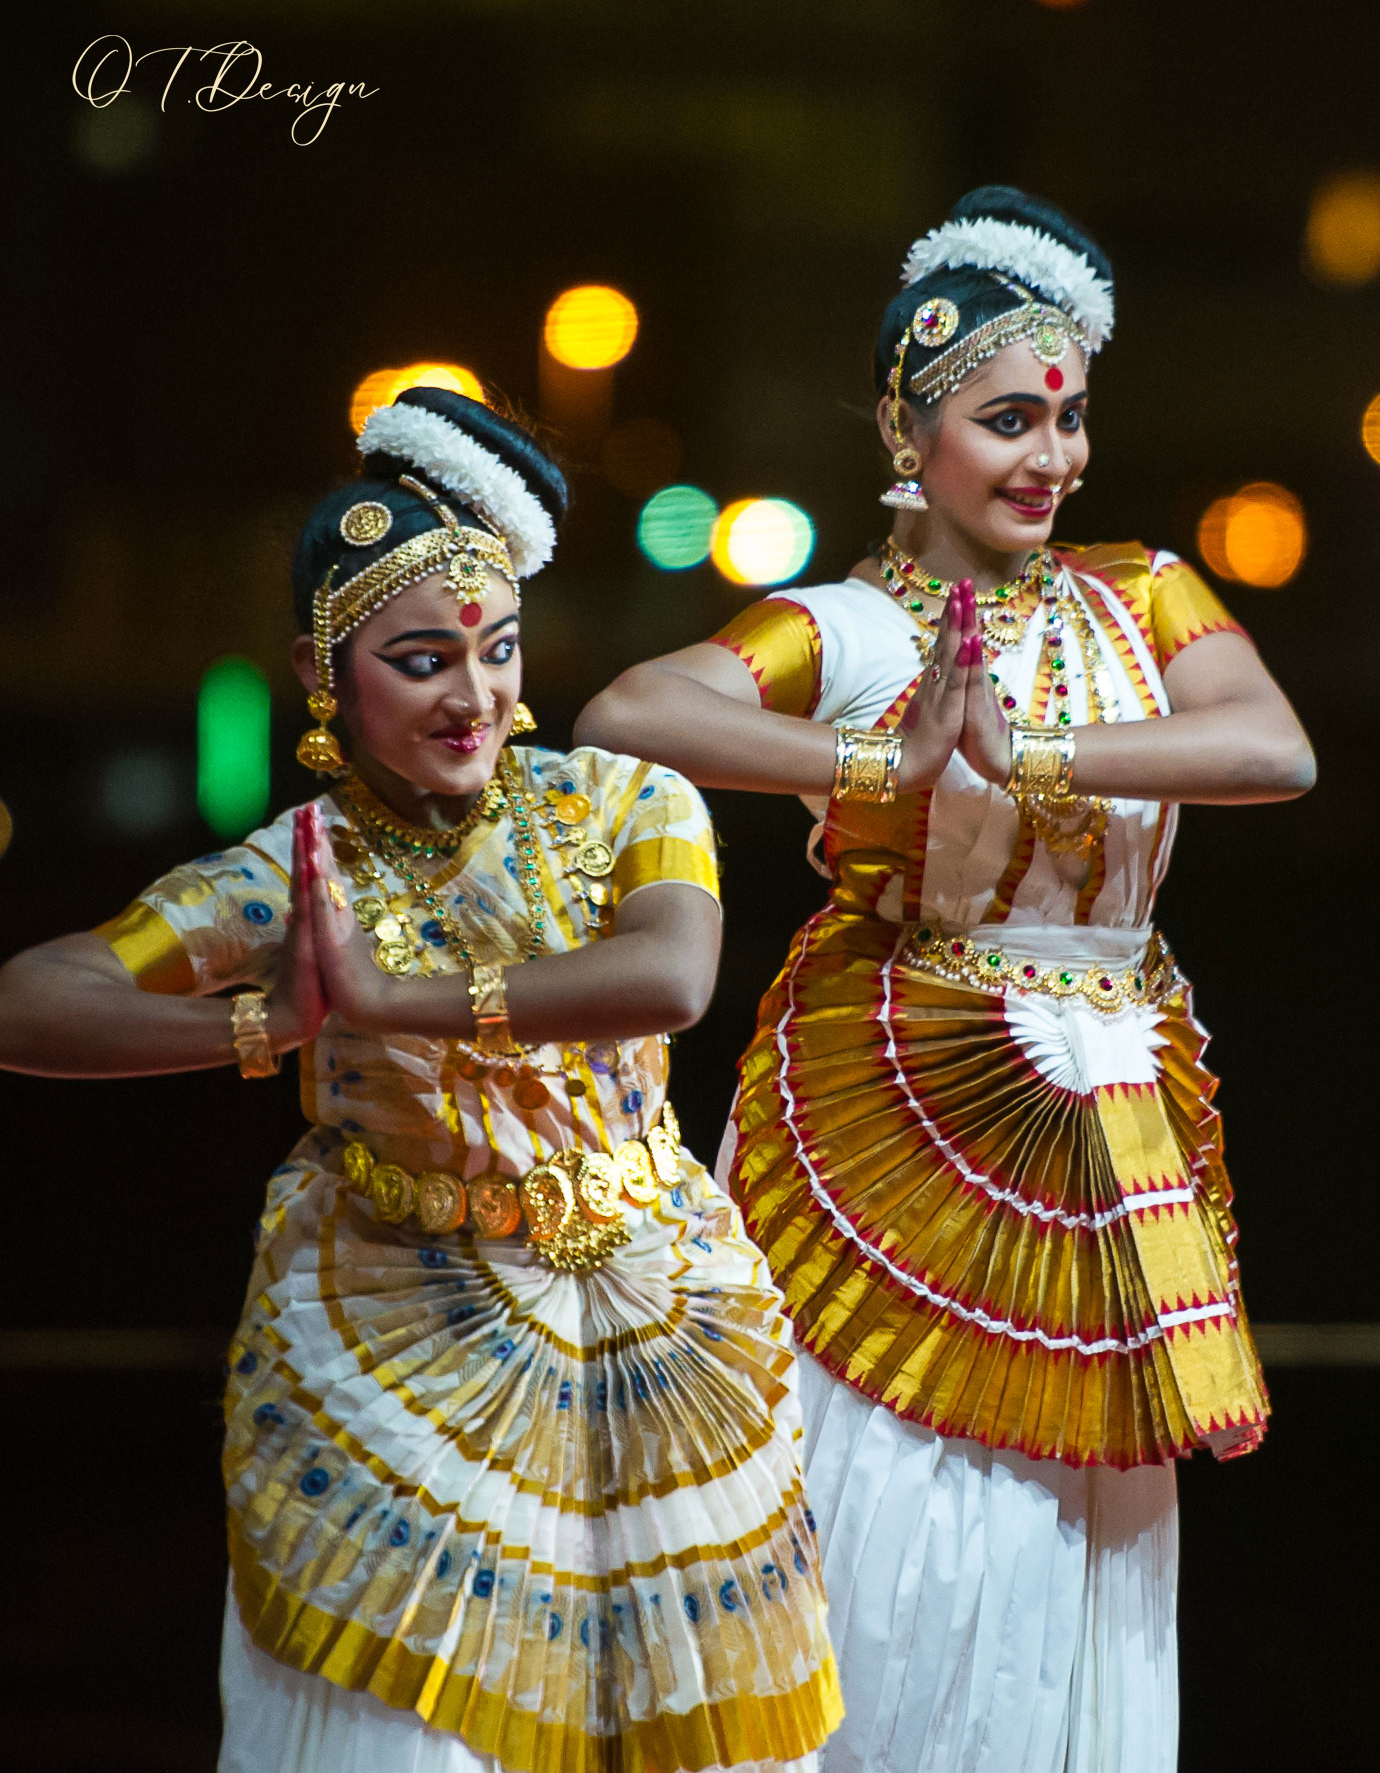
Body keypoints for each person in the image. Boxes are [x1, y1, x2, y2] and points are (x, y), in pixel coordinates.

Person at [574, 186, 1315, 1772]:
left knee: (1089, 1533)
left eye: (1069, 415)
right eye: (1006, 419)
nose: (1053, 455)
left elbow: (1274, 747)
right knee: (900, 1495)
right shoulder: (843, 622)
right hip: (902, 1093)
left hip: (1112, 1099)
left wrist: (1031, 747)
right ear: (913, 440)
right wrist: (878, 760)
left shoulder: (1144, 592)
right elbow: (629, 712)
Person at [0, 387, 841, 1773]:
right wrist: (251, 1026)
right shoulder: (291, 869)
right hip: (398, 1319)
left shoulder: (625, 799)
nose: (475, 696)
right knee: (409, 1737)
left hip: (654, 1309)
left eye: (498, 649)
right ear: (323, 672)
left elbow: (674, 977)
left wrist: (395, 1003)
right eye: (421, 659)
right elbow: (35, 994)